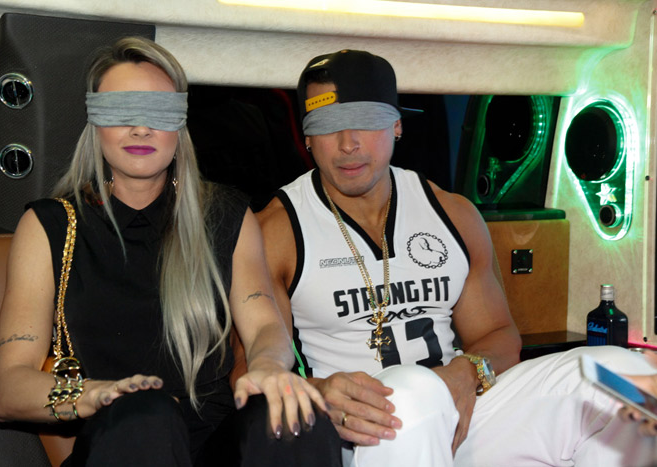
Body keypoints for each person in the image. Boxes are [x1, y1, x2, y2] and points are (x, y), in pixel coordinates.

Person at [257, 49, 657, 466]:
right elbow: (251, 373)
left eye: (366, 119)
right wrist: (319, 392)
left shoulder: (452, 213)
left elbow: (500, 336)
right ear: (306, 135)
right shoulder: (277, 230)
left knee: (622, 377)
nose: (347, 143)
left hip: (459, 413)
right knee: (410, 392)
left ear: (396, 124)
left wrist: (466, 374)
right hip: (359, 435)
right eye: (327, 124)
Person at [0, 37, 341, 466]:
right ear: (95, 122)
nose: (141, 128)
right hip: (119, 441)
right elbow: (6, 389)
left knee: (295, 417)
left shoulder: (226, 215)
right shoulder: (50, 226)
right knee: (146, 415)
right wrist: (98, 394)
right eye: (121, 111)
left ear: (180, 122)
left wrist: (268, 365)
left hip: (216, 445)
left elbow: (265, 324)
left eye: (158, 111)